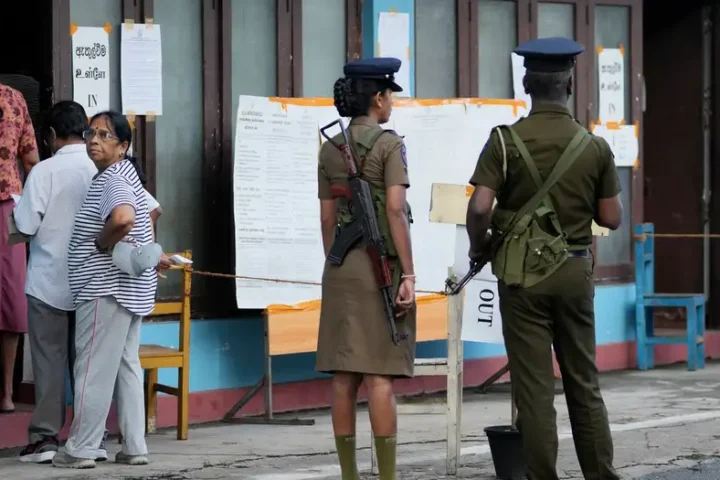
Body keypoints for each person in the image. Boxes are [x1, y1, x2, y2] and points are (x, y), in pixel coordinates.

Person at [465, 37, 623, 480]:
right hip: (574, 272)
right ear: (569, 83)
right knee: (583, 383)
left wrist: (481, 247)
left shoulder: (504, 141)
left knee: (534, 389)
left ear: (526, 84)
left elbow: (479, 207)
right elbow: (610, 217)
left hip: (522, 280)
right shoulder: (593, 147)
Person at [315, 57, 416, 480]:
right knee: (380, 377)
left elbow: (326, 217)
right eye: (389, 94)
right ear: (377, 98)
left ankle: (350, 476)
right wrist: (408, 273)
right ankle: (388, 477)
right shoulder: (390, 145)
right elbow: (394, 211)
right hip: (381, 269)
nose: (392, 102)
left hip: (340, 266)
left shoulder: (329, 148)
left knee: (344, 376)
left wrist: (335, 258)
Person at [53, 110, 163, 469]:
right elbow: (144, 219)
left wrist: (101, 244)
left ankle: (81, 448)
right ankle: (134, 446)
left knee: (92, 369)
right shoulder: (127, 175)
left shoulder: (112, 179)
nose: (94, 141)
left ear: (123, 146)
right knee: (126, 365)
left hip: (105, 289)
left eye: (104, 135)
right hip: (129, 289)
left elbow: (124, 219)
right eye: (91, 133)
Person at [12, 101, 97, 463]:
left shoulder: (43, 172)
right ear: (86, 131)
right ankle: (93, 438)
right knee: (88, 364)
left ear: (50, 136)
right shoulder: (102, 167)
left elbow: (26, 227)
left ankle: (45, 440)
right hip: (91, 283)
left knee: (48, 363)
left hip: (48, 281)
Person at [0, 82, 39, 413]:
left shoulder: (13, 98)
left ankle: (7, 394)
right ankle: (7, 394)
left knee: (11, 299)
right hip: (11, 208)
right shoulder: (13, 98)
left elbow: (31, 161)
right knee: (11, 296)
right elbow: (32, 161)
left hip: (10, 208)